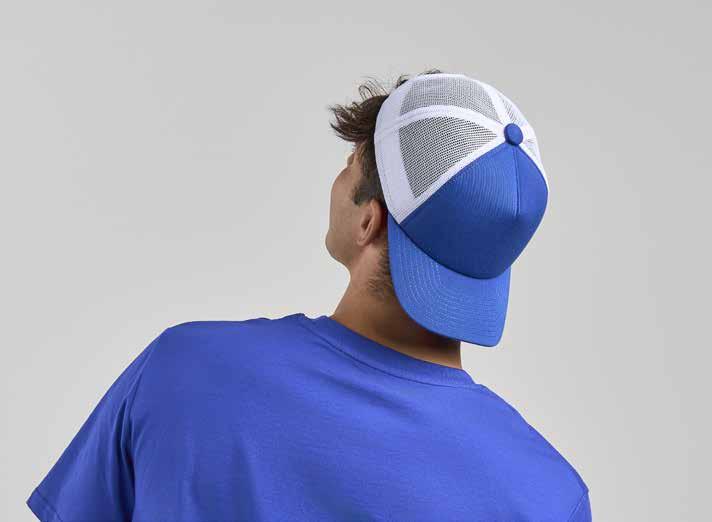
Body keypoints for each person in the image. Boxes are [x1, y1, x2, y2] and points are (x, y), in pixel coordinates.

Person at [27, 70, 591, 521]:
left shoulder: (184, 369)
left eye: (349, 166)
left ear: (369, 221)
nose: (338, 181)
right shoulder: (548, 495)